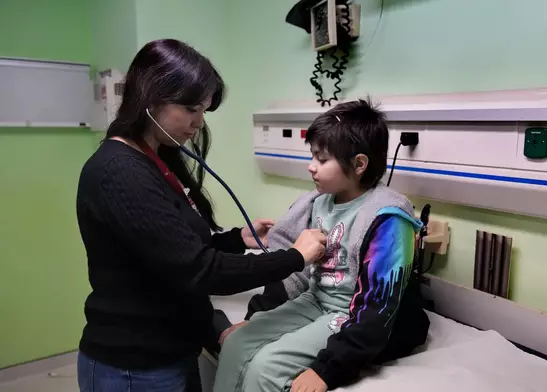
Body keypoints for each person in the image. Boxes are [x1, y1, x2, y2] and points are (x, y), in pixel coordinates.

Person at [75, 38, 327, 392]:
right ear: (151, 98)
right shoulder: (120, 172)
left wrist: (238, 238)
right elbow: (199, 270)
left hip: (171, 352)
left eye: (203, 110)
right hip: (135, 367)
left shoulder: (155, 160)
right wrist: (295, 257)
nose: (198, 122)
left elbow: (175, 245)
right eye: (191, 108)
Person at [214, 99, 430, 392]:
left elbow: (378, 308)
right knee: (235, 343)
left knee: (267, 367)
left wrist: (326, 370)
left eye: (322, 159)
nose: (311, 167)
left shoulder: (388, 220)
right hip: (314, 301)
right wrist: (257, 319)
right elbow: (295, 272)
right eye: (312, 156)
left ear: (359, 164)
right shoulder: (319, 203)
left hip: (348, 313)